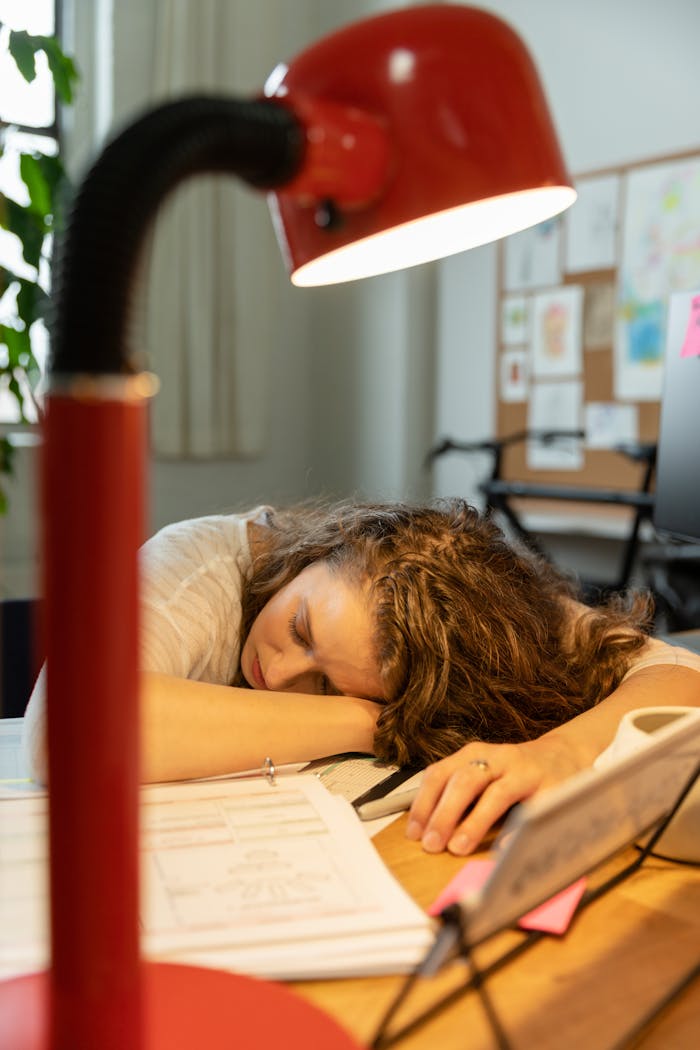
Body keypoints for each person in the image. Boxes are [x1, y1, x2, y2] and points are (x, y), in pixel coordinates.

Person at [22, 499, 700, 849]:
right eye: (300, 629)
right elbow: (68, 729)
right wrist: (362, 718)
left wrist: (560, 751)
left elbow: (677, 675)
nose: (279, 675)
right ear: (322, 550)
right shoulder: (199, 569)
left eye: (326, 684)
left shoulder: (453, 600)